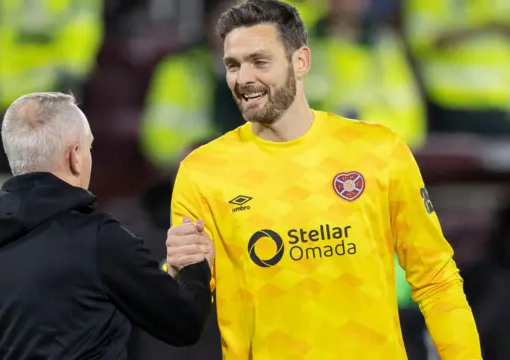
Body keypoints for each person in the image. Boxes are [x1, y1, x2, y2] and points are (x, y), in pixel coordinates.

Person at [163, 1, 481, 359]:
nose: (243, 78)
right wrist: (175, 271)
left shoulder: (378, 150)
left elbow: (437, 281)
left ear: (301, 62)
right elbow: (182, 319)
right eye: (233, 65)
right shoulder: (204, 170)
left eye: (259, 61)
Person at [0, 92, 214, 359]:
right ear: (74, 157)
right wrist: (195, 266)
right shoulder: (102, 241)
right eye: (88, 149)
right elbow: (183, 324)